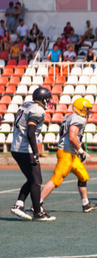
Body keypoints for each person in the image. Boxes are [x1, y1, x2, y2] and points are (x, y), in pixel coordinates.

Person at [39, 98, 97, 214]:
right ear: (80, 109)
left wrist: (80, 152)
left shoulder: (71, 117)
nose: (88, 112)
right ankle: (37, 204)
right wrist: (81, 151)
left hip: (71, 153)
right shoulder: (78, 119)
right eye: (86, 109)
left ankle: (85, 204)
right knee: (56, 180)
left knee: (83, 176)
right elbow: (72, 137)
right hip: (66, 153)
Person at [10, 87, 55, 221]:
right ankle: (37, 213)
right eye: (47, 99)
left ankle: (19, 204)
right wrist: (36, 152)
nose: (49, 101)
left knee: (31, 179)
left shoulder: (27, 105)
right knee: (37, 180)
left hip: (16, 148)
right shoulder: (37, 110)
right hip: (25, 149)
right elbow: (30, 133)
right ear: (42, 99)